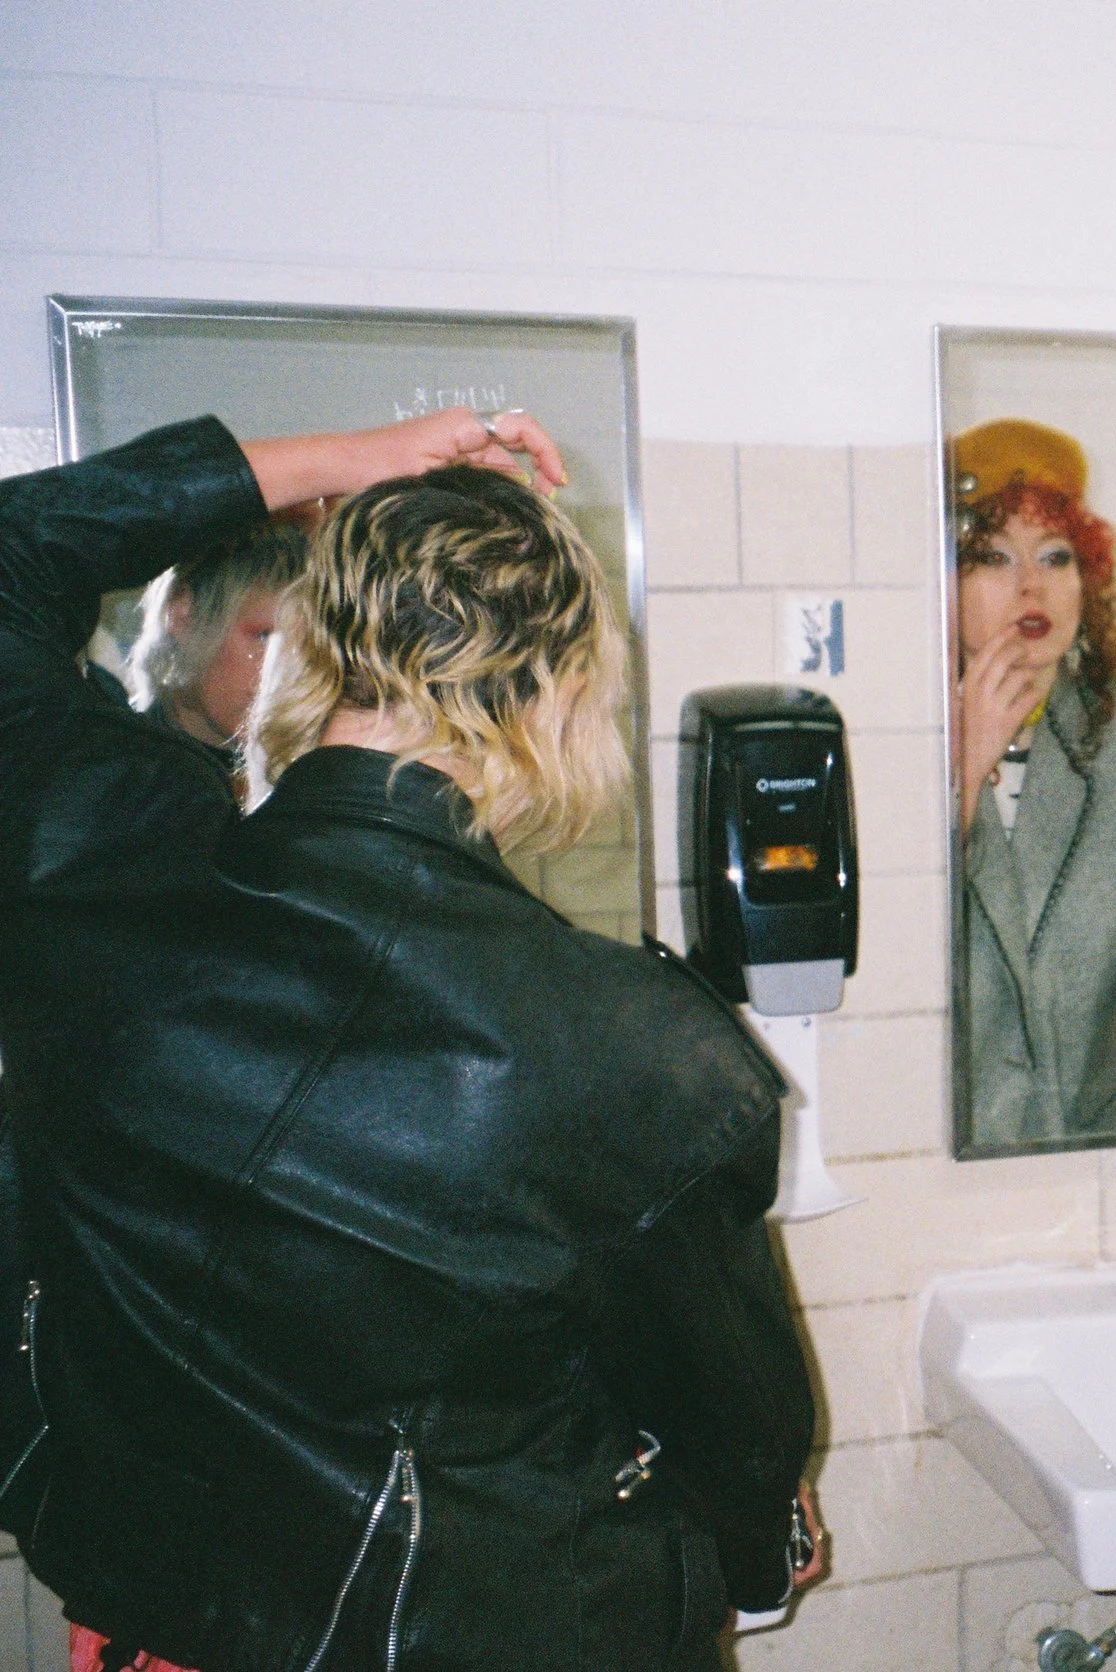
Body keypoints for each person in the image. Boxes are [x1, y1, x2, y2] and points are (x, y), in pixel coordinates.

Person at [0, 407, 823, 1672]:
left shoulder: (97, 865)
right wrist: (764, 1539)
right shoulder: (633, 1048)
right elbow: (739, 1429)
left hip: (158, 1628)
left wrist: (346, 459)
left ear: (311, 652)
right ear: (556, 695)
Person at [950, 418, 1116, 1152]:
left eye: (1055, 556)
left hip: (1082, 1149)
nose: (1031, 585)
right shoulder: (892, 742)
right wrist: (960, 778)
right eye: (993, 557)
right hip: (930, 1148)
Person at [123, 516, 307, 771]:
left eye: (309, 647)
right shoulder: (113, 768)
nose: (289, 671)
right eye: (265, 637)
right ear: (181, 613)